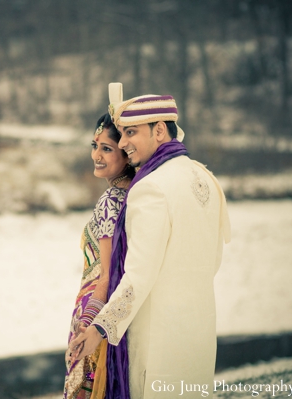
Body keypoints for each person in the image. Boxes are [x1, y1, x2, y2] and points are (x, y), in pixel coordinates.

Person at [69, 83, 231, 399]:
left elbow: (138, 276)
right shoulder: (202, 176)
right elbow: (213, 259)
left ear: (159, 130)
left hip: (157, 339)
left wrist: (101, 327)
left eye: (131, 132)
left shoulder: (149, 189)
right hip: (198, 331)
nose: (124, 142)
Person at [64, 113, 135, 399]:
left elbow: (105, 276)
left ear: (127, 154)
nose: (96, 155)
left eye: (107, 148)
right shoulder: (136, 193)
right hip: (116, 312)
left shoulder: (111, 202)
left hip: (96, 309)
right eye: (95, 145)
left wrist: (89, 324)